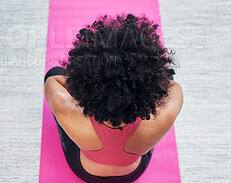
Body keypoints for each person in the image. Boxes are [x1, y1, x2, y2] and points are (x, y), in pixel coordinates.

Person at [44, 14, 183, 183]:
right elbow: (173, 87)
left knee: (54, 72)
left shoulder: (64, 108)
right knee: (167, 80)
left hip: (84, 170)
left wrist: (81, 83)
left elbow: (53, 81)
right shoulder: (162, 118)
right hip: (132, 173)